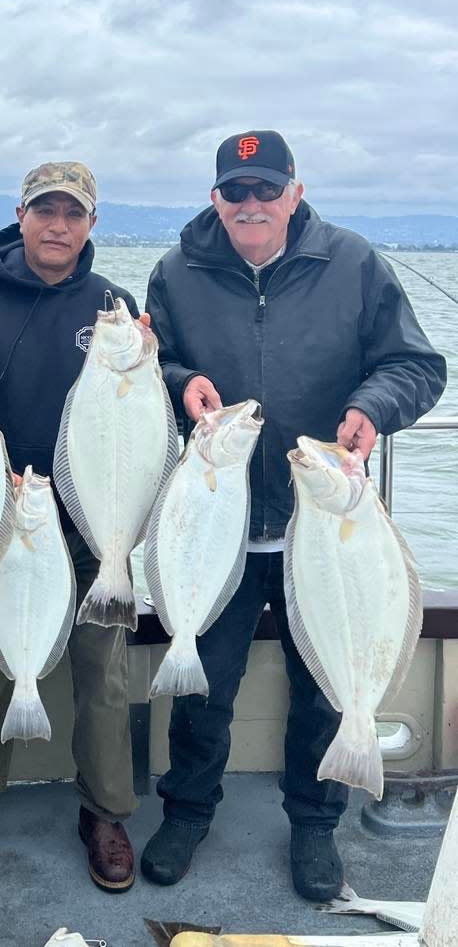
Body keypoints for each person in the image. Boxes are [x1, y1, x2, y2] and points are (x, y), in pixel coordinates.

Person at [141, 129, 447, 900]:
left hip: (326, 522)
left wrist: (370, 408)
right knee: (205, 684)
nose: (252, 205)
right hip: (220, 524)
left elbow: (416, 366)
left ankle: (315, 822)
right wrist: (181, 384)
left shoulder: (354, 264)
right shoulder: (175, 272)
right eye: (235, 191)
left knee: (323, 679)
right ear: (215, 197)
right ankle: (187, 810)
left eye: (266, 189)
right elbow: (154, 363)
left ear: (295, 193)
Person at [0, 161, 141, 892]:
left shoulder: (115, 305)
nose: (58, 225)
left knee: (105, 676)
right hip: (2, 519)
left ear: (91, 223)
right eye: (45, 210)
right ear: (19, 214)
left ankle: (106, 811)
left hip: (91, 525)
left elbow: (139, 420)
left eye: (73, 213)